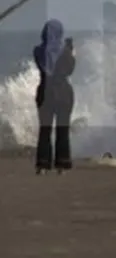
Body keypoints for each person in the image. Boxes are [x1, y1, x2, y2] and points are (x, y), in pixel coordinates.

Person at [33, 19, 76, 174]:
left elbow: (43, 62)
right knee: (62, 129)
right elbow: (70, 69)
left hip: (45, 92)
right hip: (64, 93)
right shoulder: (65, 52)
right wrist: (70, 50)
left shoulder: (38, 51)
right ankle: (62, 165)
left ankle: (43, 165)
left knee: (45, 130)